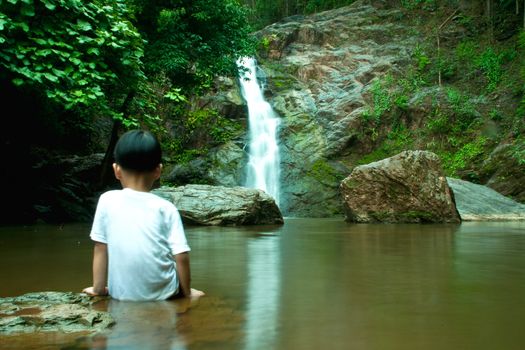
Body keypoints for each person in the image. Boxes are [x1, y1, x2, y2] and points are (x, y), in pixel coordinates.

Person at [83, 129, 204, 301]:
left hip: (121, 294)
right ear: (158, 171)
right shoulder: (166, 208)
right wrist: (187, 293)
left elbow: (100, 247)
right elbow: (181, 256)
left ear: (116, 170)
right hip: (164, 294)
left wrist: (98, 289)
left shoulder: (107, 200)